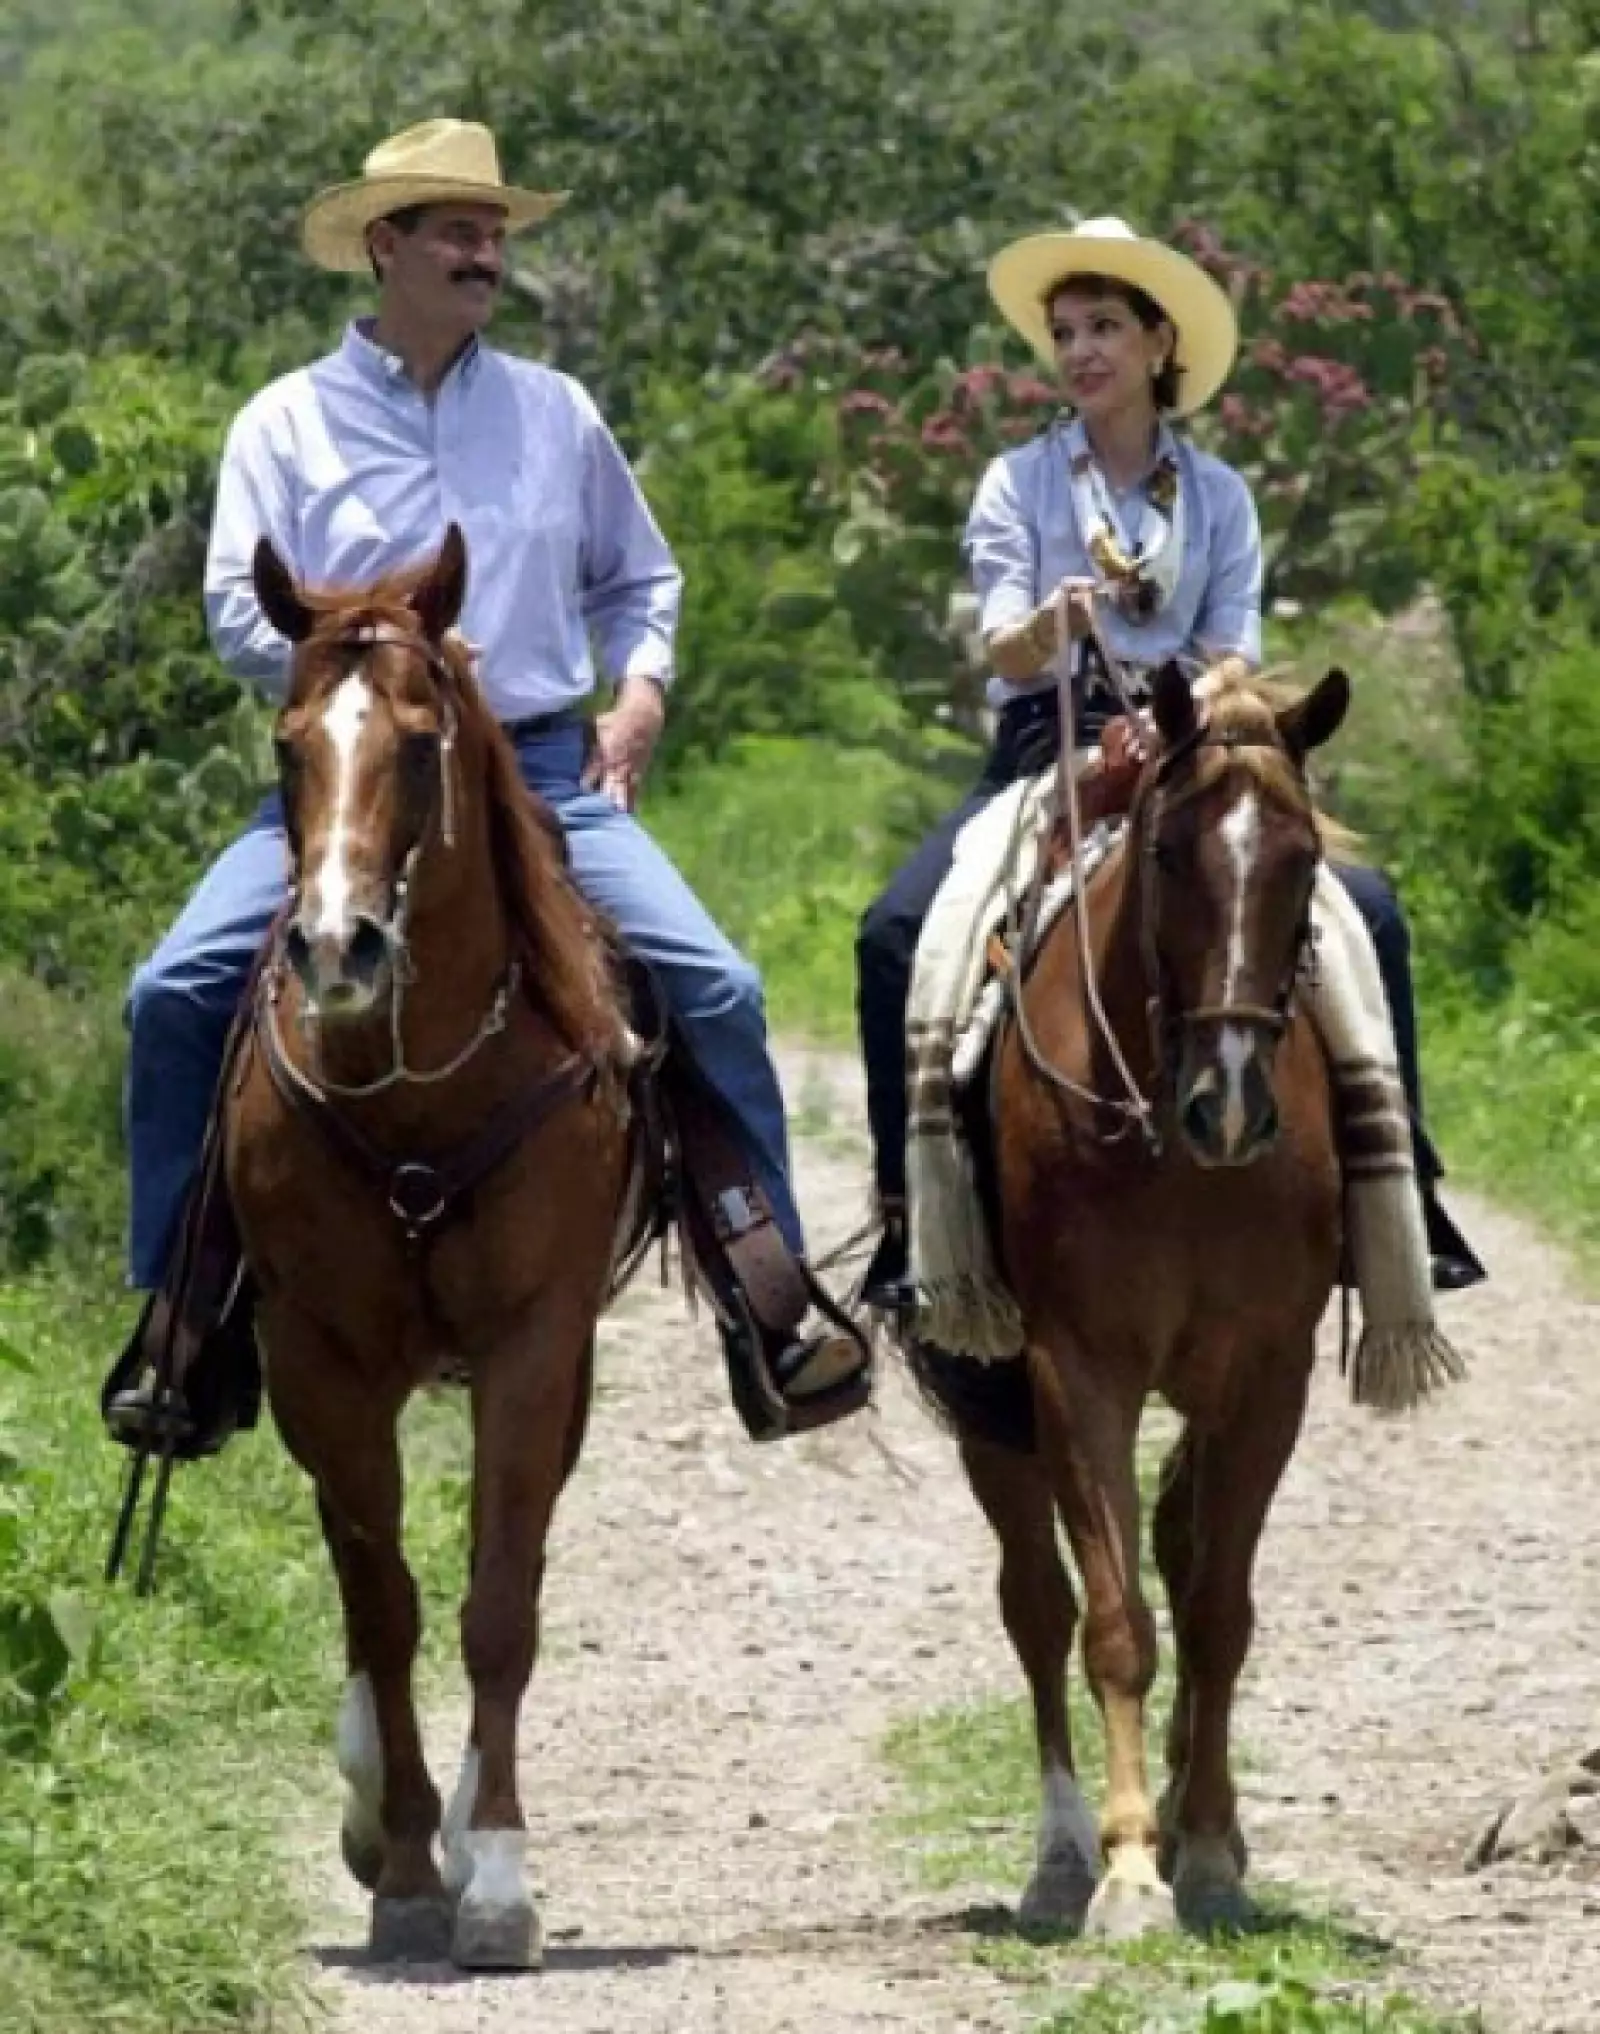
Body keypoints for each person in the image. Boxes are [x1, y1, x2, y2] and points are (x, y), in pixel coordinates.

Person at [121, 118, 867, 1432]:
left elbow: (642, 577)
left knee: (719, 984)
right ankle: (185, 1312)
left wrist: (640, 690)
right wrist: (390, 657)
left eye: (493, 231)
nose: (484, 252)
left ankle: (764, 1284)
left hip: (536, 775)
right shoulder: (283, 424)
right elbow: (245, 616)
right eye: (456, 229)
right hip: (352, 781)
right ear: (384, 245)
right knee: (176, 990)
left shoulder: (555, 413)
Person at [855, 216, 1484, 1310]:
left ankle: (1401, 1190)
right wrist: (1049, 630)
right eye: (1064, 331)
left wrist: (1186, 708)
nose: (1081, 350)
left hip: (1197, 738)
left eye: (1104, 326)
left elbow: (1236, 640)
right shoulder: (1018, 481)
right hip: (1048, 738)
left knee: (1368, 912)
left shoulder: (1220, 495)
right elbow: (998, 640)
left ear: (1158, 344)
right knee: (898, 929)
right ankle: (913, 1222)